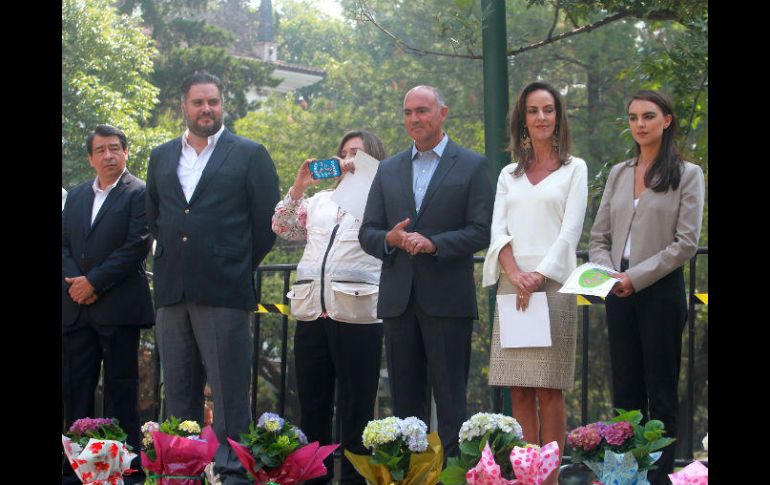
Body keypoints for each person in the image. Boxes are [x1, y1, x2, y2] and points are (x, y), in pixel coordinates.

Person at [146, 71, 280, 485]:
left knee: (229, 393)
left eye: (214, 102)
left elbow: (266, 223)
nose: (207, 109)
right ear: (183, 106)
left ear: (223, 105)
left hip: (224, 289)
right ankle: (180, 470)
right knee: (179, 391)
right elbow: (157, 217)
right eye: (198, 102)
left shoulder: (250, 154)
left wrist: (234, 262)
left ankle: (231, 472)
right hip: (172, 291)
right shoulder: (162, 156)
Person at [359, 85, 494, 458]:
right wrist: (391, 238)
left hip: (448, 301)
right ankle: (409, 475)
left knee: (451, 405)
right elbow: (367, 233)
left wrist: (435, 244)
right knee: (405, 409)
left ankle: (453, 475)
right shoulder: (388, 170)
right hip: (398, 302)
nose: (414, 119)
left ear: (443, 113)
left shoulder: (472, 165)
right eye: (407, 113)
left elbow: (481, 230)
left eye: (422, 110)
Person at [589, 90, 704, 484]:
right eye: (634, 116)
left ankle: (659, 479)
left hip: (659, 293)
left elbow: (686, 244)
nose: (640, 124)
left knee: (661, 394)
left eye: (649, 116)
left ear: (666, 120)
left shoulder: (688, 174)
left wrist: (634, 278)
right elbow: (598, 237)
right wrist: (609, 276)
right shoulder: (620, 172)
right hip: (616, 293)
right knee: (625, 394)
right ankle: (625, 478)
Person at [482, 81, 587, 484]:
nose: (541, 117)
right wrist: (514, 274)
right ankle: (526, 475)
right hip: (513, 287)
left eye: (548, 109)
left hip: (553, 285)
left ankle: (551, 477)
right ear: (522, 120)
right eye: (532, 110)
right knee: (520, 389)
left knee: (548, 387)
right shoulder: (509, 174)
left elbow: (570, 231)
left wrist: (538, 275)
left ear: (558, 116)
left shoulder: (574, 168)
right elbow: (498, 230)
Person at [273, 130, 387, 485]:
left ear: (373, 160)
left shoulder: (382, 199)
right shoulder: (320, 200)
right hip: (311, 313)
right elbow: (282, 227)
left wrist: (365, 178)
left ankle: (355, 479)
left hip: (358, 315)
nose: (348, 158)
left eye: (358, 153)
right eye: (344, 152)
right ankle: (313, 478)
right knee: (312, 405)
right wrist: (299, 186)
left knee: (357, 409)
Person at [62, 124, 154, 483]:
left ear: (126, 152)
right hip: (76, 308)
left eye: (114, 148)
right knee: (76, 390)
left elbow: (136, 245)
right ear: (90, 158)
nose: (108, 155)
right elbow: (64, 245)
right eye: (100, 150)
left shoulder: (140, 192)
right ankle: (75, 470)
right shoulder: (78, 195)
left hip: (118, 307)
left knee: (121, 391)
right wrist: (77, 285)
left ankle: (124, 469)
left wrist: (94, 282)